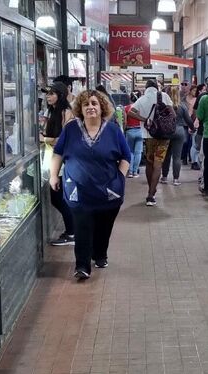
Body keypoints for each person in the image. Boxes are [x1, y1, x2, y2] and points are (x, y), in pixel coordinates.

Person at [49, 90, 131, 280]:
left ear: (102, 107)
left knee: (104, 227)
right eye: (86, 104)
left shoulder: (113, 130)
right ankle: (82, 266)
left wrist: (120, 177)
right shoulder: (70, 129)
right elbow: (58, 153)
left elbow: (126, 156)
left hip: (108, 191)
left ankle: (100, 254)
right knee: (82, 227)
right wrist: (54, 175)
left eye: (94, 103)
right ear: (80, 108)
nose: (90, 107)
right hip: (79, 190)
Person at [127, 79, 173, 206]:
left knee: (149, 163)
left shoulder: (141, 99)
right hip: (163, 136)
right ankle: (151, 195)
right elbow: (173, 113)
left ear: (146, 87)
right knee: (158, 164)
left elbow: (131, 112)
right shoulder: (164, 96)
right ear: (156, 87)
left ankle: (150, 189)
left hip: (148, 136)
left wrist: (145, 119)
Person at [41, 82, 76, 246]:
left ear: (60, 95)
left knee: (59, 198)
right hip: (53, 160)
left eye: (52, 93)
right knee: (58, 198)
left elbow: (64, 140)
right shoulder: (54, 112)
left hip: (61, 163)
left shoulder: (66, 113)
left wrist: (44, 139)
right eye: (47, 94)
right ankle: (71, 231)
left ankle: (72, 233)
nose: (48, 96)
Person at [161, 86, 194, 185]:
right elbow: (188, 120)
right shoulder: (182, 106)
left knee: (166, 156)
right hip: (179, 131)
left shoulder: (164, 106)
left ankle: (164, 177)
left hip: (166, 132)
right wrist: (192, 128)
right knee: (177, 157)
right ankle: (176, 179)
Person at [124, 91, 143, 178]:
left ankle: (130, 172)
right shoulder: (141, 108)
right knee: (138, 152)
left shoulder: (126, 108)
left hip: (130, 131)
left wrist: (124, 130)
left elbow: (124, 122)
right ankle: (135, 172)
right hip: (139, 131)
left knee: (130, 152)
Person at [190, 84, 207, 171]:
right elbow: (194, 112)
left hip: (200, 127)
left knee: (198, 147)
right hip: (199, 126)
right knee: (196, 146)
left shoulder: (201, 97)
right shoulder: (201, 97)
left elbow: (195, 111)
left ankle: (197, 163)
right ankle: (194, 162)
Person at [181, 84, 198, 165]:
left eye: (196, 90)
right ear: (190, 90)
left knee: (192, 141)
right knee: (185, 141)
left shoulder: (197, 99)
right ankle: (184, 157)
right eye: (194, 90)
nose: (195, 92)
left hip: (194, 122)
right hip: (184, 122)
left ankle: (191, 157)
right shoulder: (184, 99)